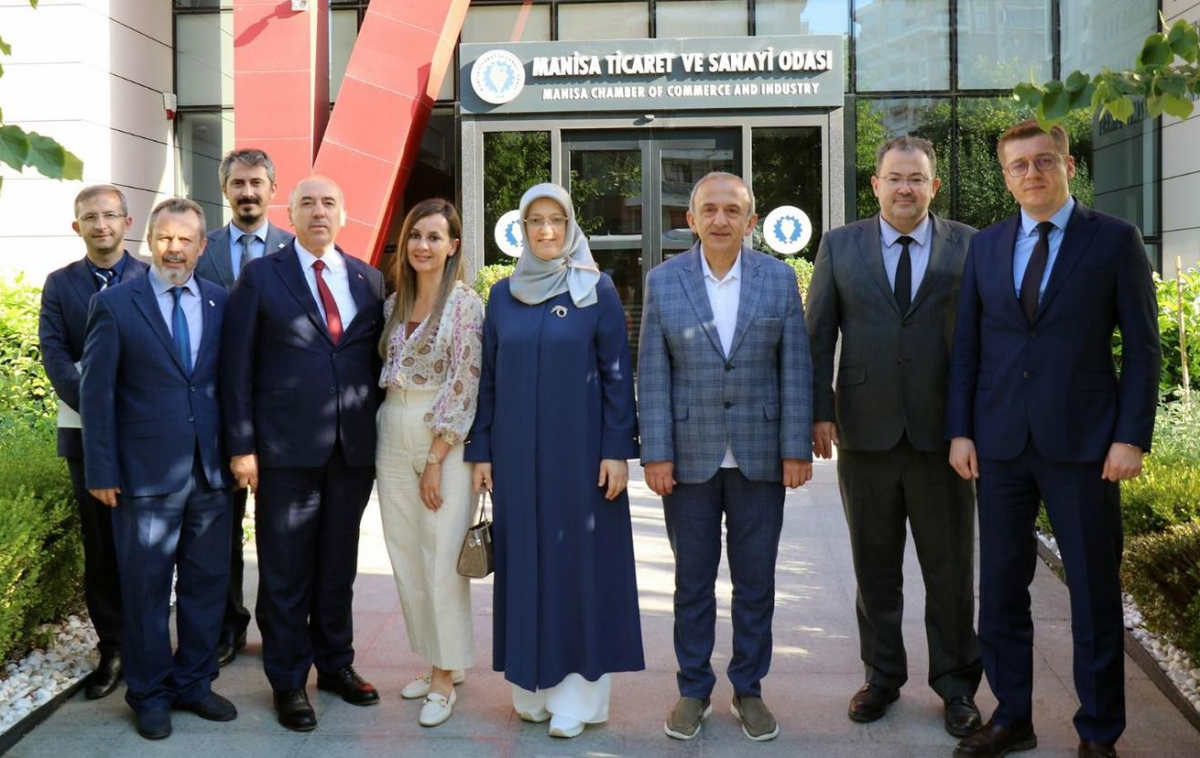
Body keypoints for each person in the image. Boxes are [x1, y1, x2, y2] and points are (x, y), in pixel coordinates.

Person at [947, 120, 1160, 758]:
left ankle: (1099, 732)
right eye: (1019, 165)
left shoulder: (1114, 240)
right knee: (1001, 591)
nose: (1032, 173)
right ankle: (1012, 717)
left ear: (1069, 166)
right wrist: (961, 430)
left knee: (1093, 595)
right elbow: (968, 347)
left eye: (1044, 161)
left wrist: (1131, 437)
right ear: (1005, 176)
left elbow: (1143, 348)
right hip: (1000, 444)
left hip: (1086, 447)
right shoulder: (987, 245)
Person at [805, 136, 983, 736]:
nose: (906, 188)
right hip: (865, 432)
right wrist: (819, 412)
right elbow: (818, 335)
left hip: (945, 437)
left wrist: (974, 425)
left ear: (934, 186)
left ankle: (956, 684)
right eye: (895, 178)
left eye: (917, 178)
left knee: (950, 569)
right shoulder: (840, 245)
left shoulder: (970, 245)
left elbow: (986, 338)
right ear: (876, 185)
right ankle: (881, 676)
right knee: (874, 566)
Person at [638, 171, 813, 742]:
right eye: (709, 210)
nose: (720, 220)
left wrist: (795, 448)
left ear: (751, 221)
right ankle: (693, 689)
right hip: (688, 459)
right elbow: (653, 373)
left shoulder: (778, 279)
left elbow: (795, 367)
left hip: (760, 458)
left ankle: (748, 689)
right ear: (691, 219)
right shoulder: (663, 281)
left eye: (732, 210)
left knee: (755, 582)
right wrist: (656, 453)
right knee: (691, 583)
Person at [465, 182, 643, 740]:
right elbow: (488, 381)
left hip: (582, 460)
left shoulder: (596, 289)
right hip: (516, 461)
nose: (546, 230)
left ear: (570, 227)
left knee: (580, 569)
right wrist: (481, 451)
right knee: (525, 565)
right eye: (535, 221)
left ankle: (578, 698)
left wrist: (618, 450)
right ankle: (532, 690)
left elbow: (618, 376)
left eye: (556, 220)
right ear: (522, 229)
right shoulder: (502, 295)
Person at [221, 174, 386, 732]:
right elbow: (236, 367)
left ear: (343, 215)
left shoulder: (367, 278)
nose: (319, 211)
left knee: (338, 566)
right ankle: (288, 680)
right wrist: (242, 447)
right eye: (307, 203)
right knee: (286, 571)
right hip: (283, 453)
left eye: (329, 203)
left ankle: (336, 665)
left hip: (351, 452)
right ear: (289, 214)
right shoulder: (260, 276)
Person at [80, 197, 236, 740]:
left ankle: (194, 682)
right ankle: (148, 693)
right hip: (143, 477)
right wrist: (101, 470)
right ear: (148, 240)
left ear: (202, 246)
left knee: (206, 585)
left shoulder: (220, 301)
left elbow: (228, 385)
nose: (174, 249)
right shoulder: (115, 305)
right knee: (145, 590)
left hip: (210, 473)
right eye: (165, 238)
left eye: (185, 239)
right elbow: (96, 394)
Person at [38, 184, 149, 700]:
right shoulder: (60, 285)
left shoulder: (152, 277)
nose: (101, 224)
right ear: (76, 226)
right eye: (90, 217)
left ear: (128, 221)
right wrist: (100, 405)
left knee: (147, 542)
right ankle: (114, 648)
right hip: (84, 434)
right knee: (101, 545)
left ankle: (149, 643)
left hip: (146, 434)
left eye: (109, 215)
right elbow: (55, 355)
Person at [376, 199, 483, 727]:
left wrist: (438, 456)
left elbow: (466, 381)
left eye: (434, 237)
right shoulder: (394, 303)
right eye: (416, 235)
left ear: (453, 246)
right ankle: (438, 659)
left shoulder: (465, 305)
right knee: (407, 555)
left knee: (441, 559)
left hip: (442, 436)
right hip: (391, 426)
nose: (423, 245)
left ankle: (446, 677)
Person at [194, 148, 294, 668]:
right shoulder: (199, 249)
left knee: (280, 531)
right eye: (238, 183)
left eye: (257, 182)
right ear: (225, 189)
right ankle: (227, 626)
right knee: (221, 532)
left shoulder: (296, 250)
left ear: (273, 189)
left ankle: (278, 628)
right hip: (216, 413)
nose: (248, 192)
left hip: (281, 416)